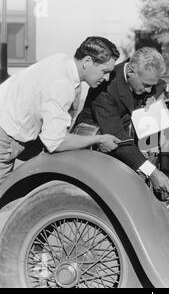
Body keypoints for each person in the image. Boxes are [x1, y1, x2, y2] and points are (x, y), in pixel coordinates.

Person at [0, 36, 121, 184]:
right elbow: (55, 142)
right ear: (87, 61)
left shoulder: (63, 61)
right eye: (104, 71)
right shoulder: (62, 84)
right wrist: (99, 139)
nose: (107, 78)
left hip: (12, 124)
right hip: (4, 133)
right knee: (5, 200)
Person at [75, 47, 169, 193]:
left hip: (127, 142)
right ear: (131, 71)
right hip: (96, 148)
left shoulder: (143, 78)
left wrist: (152, 97)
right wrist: (151, 172)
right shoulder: (104, 88)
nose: (148, 89)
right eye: (146, 85)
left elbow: (160, 84)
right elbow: (117, 137)